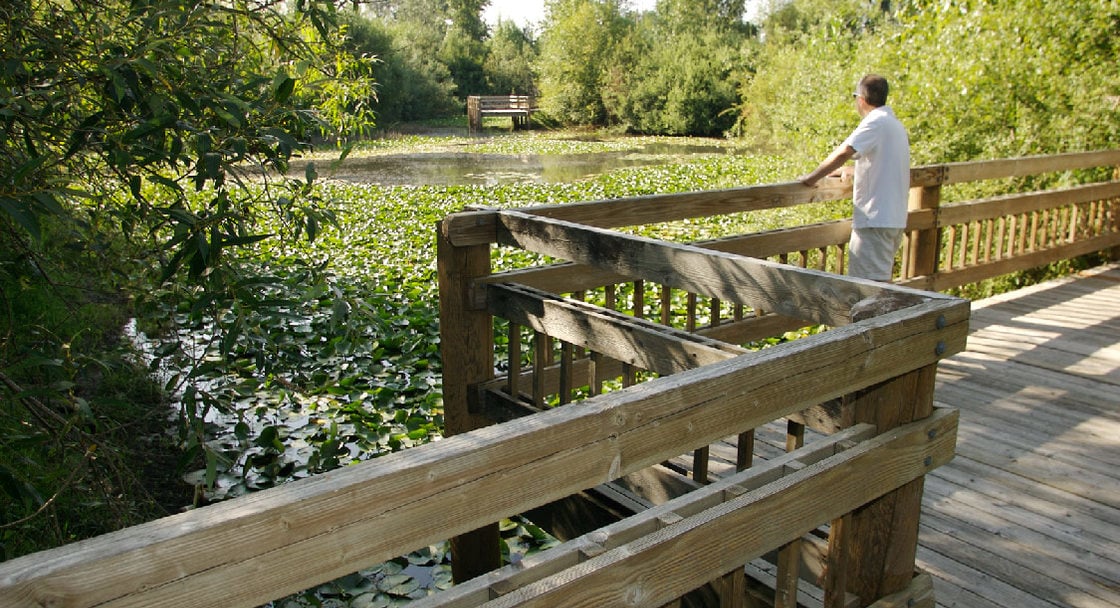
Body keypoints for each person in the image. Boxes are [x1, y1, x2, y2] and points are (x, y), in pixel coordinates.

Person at [800, 74, 910, 281]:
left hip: (874, 220)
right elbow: (883, 164)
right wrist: (852, 171)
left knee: (868, 288)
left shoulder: (875, 123)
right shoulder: (895, 125)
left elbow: (844, 151)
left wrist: (811, 178)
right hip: (892, 218)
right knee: (879, 284)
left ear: (861, 99)